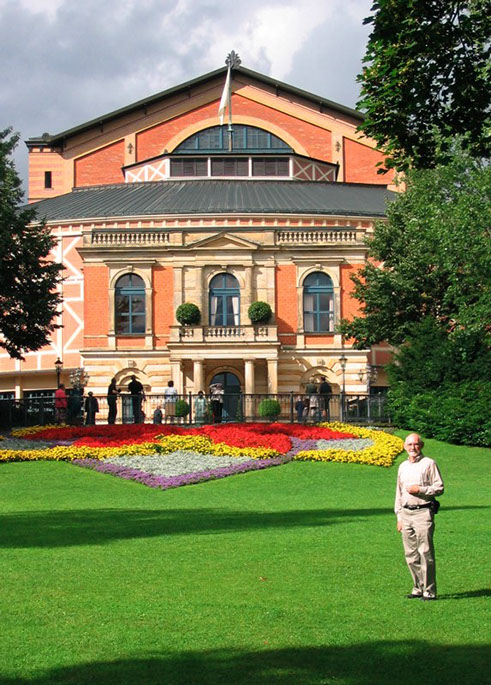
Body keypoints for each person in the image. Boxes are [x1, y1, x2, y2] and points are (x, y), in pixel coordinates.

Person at [395, 433, 444, 601]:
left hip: (423, 513)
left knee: (425, 552)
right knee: (410, 554)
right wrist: (399, 516)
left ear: (421, 446)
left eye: (416, 444)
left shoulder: (429, 464)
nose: (413, 448)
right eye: (409, 445)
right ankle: (418, 587)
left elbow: (439, 487)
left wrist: (421, 490)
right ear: (404, 446)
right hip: (406, 514)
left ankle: (429, 591)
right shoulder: (402, 466)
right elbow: (399, 493)